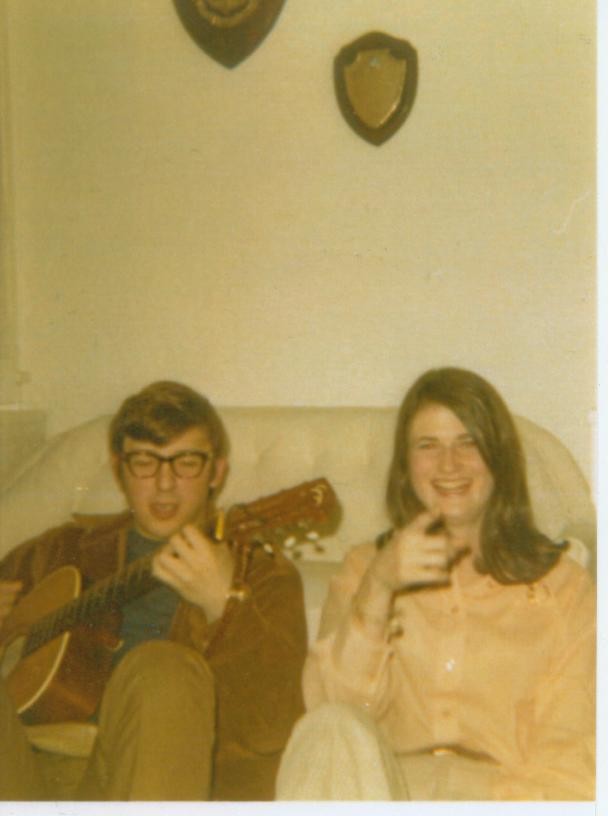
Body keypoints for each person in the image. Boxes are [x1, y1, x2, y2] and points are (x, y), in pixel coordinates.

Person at [276, 367, 595, 801]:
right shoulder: (364, 569)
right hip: (380, 790)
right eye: (428, 445)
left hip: (500, 794)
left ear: (499, 459)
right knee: (329, 726)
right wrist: (379, 588)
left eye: (468, 442)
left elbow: (571, 754)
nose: (449, 464)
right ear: (406, 467)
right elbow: (330, 716)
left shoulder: (564, 587)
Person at [0, 381, 307, 801]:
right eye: (144, 462)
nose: (165, 483)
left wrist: (224, 605)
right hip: (21, 774)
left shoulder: (262, 576)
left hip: (142, 779)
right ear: (119, 470)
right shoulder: (61, 550)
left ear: (216, 472)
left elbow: (273, 728)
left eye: (187, 463)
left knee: (163, 669)